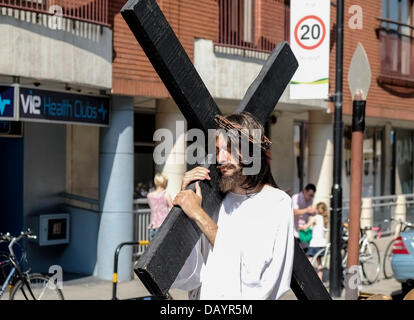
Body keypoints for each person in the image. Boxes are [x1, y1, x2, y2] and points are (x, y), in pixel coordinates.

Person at [171, 112, 295, 300]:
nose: (220, 159)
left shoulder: (276, 204)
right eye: (218, 150)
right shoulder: (214, 202)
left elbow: (256, 278)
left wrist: (198, 214)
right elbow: (190, 276)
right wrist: (185, 208)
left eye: (228, 148)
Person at [301, 202, 329, 280]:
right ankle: (320, 279)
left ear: (317, 209)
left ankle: (305, 277)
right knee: (319, 262)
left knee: (309, 261)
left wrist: (300, 228)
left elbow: (306, 227)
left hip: (315, 244)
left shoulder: (315, 218)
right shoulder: (325, 219)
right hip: (322, 245)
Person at [147, 173, 173, 241]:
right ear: (165, 183)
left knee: (152, 250)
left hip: (152, 226)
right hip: (163, 226)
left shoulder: (150, 195)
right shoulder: (166, 195)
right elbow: (173, 208)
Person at [292, 184, 317, 250]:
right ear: (305, 191)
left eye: (312, 196)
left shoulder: (310, 200)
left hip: (304, 232)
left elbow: (307, 214)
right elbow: (293, 212)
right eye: (310, 195)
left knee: (305, 252)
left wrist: (312, 213)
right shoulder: (296, 197)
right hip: (295, 231)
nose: (311, 197)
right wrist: (307, 210)